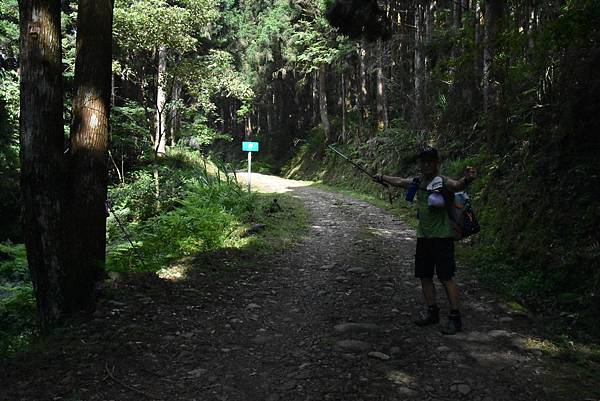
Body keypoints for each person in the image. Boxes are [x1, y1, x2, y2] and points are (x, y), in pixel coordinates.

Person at [376, 147, 476, 335]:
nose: (427, 164)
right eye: (424, 161)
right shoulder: (417, 182)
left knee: (446, 277)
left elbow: (457, 185)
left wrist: (467, 179)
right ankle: (432, 312)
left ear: (437, 163)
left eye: (431, 161)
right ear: (421, 164)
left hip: (443, 237)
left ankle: (455, 317)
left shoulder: (444, 182)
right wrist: (382, 177)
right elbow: (399, 181)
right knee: (424, 276)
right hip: (423, 237)